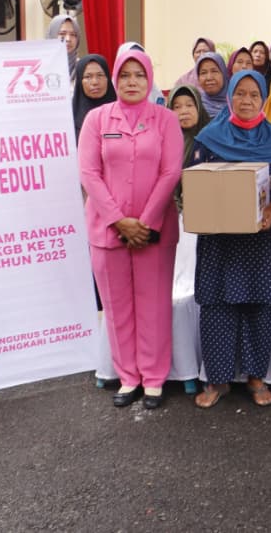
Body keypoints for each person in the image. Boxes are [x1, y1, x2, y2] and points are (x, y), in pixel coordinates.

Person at [78, 50, 184, 409]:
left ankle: (154, 378)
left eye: (140, 75)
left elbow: (171, 172)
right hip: (108, 230)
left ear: (150, 78)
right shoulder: (96, 119)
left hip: (154, 230)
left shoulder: (165, 119)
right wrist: (118, 220)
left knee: (153, 306)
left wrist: (146, 222)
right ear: (115, 80)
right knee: (117, 306)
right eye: (125, 75)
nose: (133, 82)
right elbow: (89, 173)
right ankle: (128, 377)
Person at [188, 69, 271, 409]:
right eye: (240, 94)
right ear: (230, 96)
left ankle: (256, 376)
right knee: (217, 305)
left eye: (253, 95)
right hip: (220, 241)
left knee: (261, 305)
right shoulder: (208, 137)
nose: (246, 101)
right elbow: (192, 183)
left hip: (261, 239)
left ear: (263, 99)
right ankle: (217, 379)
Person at [167, 84, 209, 211]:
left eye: (190, 105)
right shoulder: (164, 142)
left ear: (199, 108)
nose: (184, 111)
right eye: (177, 107)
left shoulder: (211, 139)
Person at [72, 55, 117, 139]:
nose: (95, 82)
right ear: (79, 81)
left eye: (100, 75)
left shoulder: (121, 111)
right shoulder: (70, 116)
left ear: (108, 78)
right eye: (88, 77)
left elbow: (122, 139)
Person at [47, 14, 82, 83]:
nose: (68, 39)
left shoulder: (83, 68)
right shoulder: (40, 68)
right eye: (62, 33)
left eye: (73, 34)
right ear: (52, 36)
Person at [195, 51, 229, 119]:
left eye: (214, 71)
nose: (209, 78)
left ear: (224, 74)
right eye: (203, 73)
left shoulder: (237, 103)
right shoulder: (196, 106)